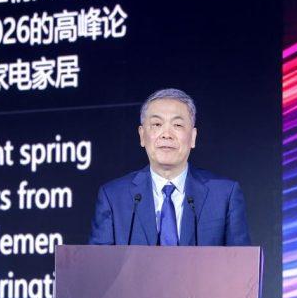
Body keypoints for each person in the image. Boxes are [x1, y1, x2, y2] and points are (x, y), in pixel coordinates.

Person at [89, 88, 251, 246]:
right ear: (142, 136)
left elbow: (240, 262)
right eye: (157, 124)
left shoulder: (224, 195)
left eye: (177, 125)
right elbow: (99, 262)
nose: (166, 134)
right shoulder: (113, 197)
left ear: (193, 137)